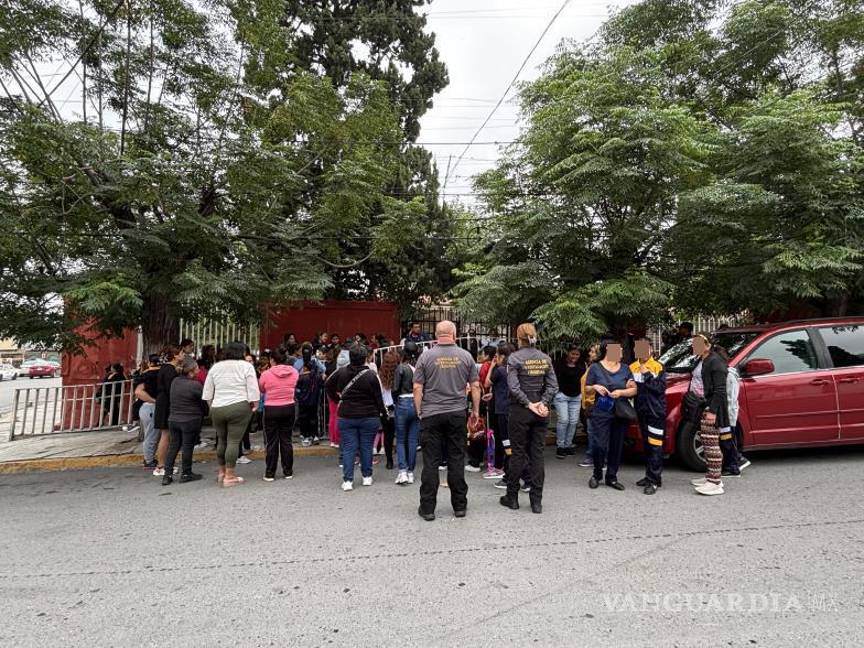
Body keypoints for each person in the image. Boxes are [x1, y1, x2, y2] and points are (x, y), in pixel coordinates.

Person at [414, 321, 480, 522]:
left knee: (431, 462)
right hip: (456, 413)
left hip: (431, 414)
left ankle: (427, 508)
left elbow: (417, 388)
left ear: (436, 334)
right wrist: (475, 410)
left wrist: (419, 411)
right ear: (454, 333)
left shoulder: (425, 356)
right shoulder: (465, 356)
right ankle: (459, 506)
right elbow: (475, 386)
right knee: (456, 459)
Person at [499, 323, 558, 514]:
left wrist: (528, 403)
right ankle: (536, 501)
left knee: (517, 454)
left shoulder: (514, 358)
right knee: (537, 455)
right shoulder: (545, 358)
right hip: (540, 410)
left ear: (518, 337)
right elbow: (553, 386)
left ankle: (512, 497)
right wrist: (542, 402)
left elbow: (513, 387)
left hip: (520, 411)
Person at [325, 344, 387, 491]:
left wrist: (337, 400)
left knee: (348, 448)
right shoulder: (371, 375)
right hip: (369, 415)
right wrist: (383, 414)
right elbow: (379, 398)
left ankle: (348, 480)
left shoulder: (341, 372)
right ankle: (367, 476)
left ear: (350, 357)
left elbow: (328, 384)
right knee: (366, 446)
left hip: (346, 415)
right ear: (365, 358)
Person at [202, 341, 260, 487]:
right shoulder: (246, 366)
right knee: (233, 441)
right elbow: (253, 389)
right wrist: (255, 405)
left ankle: (221, 472)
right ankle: (230, 476)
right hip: (239, 406)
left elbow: (207, 393)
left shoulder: (215, 367)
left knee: (222, 440)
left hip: (218, 407)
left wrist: (212, 406)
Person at [585, 339, 637, 491]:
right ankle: (596, 474)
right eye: (619, 350)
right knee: (599, 445)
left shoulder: (625, 369)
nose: (621, 352)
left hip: (620, 410)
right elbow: (587, 388)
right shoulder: (595, 368)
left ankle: (612, 477)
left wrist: (621, 392)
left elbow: (634, 389)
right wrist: (595, 387)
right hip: (601, 411)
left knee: (616, 445)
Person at [689, 333, 730, 496]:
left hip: (712, 408)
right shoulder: (702, 359)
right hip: (702, 405)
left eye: (697, 343)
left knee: (712, 444)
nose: (694, 346)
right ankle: (710, 476)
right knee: (706, 441)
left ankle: (715, 482)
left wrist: (712, 411)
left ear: (707, 345)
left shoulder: (716, 362)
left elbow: (720, 390)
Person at [630, 339, 667, 495]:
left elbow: (659, 388)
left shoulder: (658, 366)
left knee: (655, 445)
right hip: (641, 411)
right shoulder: (632, 367)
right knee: (646, 445)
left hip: (656, 412)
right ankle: (650, 476)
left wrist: (647, 375)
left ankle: (654, 480)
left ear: (651, 350)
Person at [162, 357, 205, 485]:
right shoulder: (195, 385)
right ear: (191, 370)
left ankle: (167, 474)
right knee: (187, 446)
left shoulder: (175, 381)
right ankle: (186, 473)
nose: (198, 370)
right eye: (197, 368)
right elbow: (202, 402)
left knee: (173, 446)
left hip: (174, 419)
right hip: (190, 419)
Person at [258, 348, 299, 481]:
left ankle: (270, 473)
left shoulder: (266, 374)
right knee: (286, 440)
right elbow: (294, 384)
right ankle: (288, 471)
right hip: (289, 407)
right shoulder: (294, 371)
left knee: (272, 441)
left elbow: (261, 388)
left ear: (272, 360)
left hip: (271, 408)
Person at [715, 345, 750, 476]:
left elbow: (731, 397)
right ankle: (731, 463)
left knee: (728, 441)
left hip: (728, 414)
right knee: (726, 441)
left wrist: (725, 416)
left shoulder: (729, 375)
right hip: (724, 414)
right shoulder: (722, 373)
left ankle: (736, 464)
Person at [153, 346, 185, 477]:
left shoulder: (166, 369)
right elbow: (171, 388)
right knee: (165, 435)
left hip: (163, 402)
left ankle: (164, 464)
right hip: (166, 404)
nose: (184, 355)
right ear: (176, 356)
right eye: (182, 353)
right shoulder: (170, 370)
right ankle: (161, 466)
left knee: (166, 435)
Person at [392, 341, 420, 485]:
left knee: (401, 440)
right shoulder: (419, 368)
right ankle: (410, 472)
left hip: (402, 402)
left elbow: (395, 388)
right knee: (413, 441)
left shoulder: (401, 368)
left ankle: (402, 471)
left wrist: (394, 402)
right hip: (416, 403)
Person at [487, 343, 514, 488]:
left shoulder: (500, 370)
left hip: (502, 409)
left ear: (502, 356)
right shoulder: (515, 369)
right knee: (513, 442)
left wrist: (492, 366)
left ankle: (508, 474)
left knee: (505, 441)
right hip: (514, 408)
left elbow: (487, 382)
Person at [553, 344, 586, 459]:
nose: (575, 356)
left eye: (577, 354)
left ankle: (568, 445)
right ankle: (560, 446)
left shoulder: (582, 365)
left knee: (573, 422)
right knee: (564, 420)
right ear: (567, 353)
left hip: (576, 396)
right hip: (561, 395)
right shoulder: (559, 363)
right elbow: (553, 378)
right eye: (572, 353)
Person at [134, 354, 161, 468]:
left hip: (147, 407)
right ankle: (149, 460)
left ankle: (150, 458)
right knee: (152, 434)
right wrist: (154, 401)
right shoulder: (158, 374)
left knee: (152, 434)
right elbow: (139, 392)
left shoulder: (145, 375)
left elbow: (138, 392)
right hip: (151, 406)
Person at [296, 344, 324, 446]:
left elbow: (296, 386)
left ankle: (306, 435)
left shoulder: (299, 366)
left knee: (304, 417)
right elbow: (323, 370)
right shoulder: (316, 367)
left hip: (303, 399)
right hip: (314, 398)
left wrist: (298, 396)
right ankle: (315, 435)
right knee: (313, 416)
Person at [578, 344, 600, 467]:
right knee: (592, 431)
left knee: (593, 432)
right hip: (588, 403)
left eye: (593, 352)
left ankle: (592, 457)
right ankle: (594, 456)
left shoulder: (596, 367)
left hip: (593, 403)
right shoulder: (591, 366)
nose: (590, 354)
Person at [377, 350, 400, 469]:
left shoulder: (380, 375)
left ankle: (389, 461)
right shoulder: (399, 373)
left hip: (385, 408)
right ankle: (403, 460)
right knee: (401, 435)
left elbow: (379, 393)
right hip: (398, 406)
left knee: (388, 436)